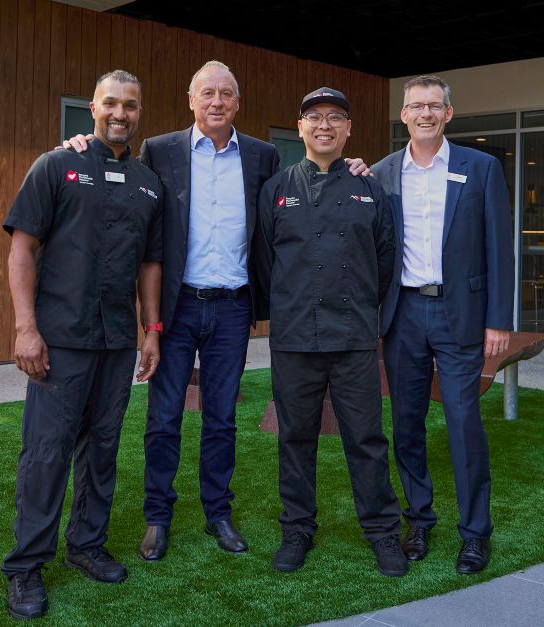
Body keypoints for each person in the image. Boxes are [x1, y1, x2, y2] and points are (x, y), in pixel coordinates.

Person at [66, 61, 369, 562]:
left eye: (226, 93)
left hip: (233, 310)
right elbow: (129, 189)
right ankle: (157, 517)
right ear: (191, 100)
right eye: (207, 92)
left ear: (237, 102)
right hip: (179, 307)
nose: (216, 102)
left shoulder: (262, 156)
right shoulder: (160, 150)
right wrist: (75, 145)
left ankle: (218, 514)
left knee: (222, 420)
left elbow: (293, 203)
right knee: (164, 418)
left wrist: (352, 166)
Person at [0, 69, 162, 620]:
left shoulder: (147, 182)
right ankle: (26, 567)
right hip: (61, 339)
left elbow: (149, 263)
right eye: (111, 103)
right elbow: (22, 249)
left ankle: (86, 547)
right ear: (93, 107)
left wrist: (150, 329)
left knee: (102, 449)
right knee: (46, 454)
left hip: (117, 341)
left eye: (131, 106)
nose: (121, 114)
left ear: (141, 112)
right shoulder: (56, 165)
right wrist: (26, 328)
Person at [256, 87, 407, 577]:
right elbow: (265, 261)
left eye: (335, 117)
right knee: (295, 437)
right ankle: (297, 529)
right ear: (300, 127)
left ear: (348, 129)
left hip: (354, 336)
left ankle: (383, 533)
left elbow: (385, 261)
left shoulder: (370, 189)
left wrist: (364, 309)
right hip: (295, 335)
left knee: (366, 438)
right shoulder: (277, 187)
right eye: (314, 117)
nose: (324, 125)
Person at [372, 75, 513, 574]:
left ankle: (475, 533)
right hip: (403, 315)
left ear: (449, 114)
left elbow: (500, 248)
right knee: (407, 424)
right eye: (416, 107)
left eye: (435, 106)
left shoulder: (482, 168)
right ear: (404, 115)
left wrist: (498, 319)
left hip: (461, 316)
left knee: (463, 423)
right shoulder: (383, 173)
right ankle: (419, 520)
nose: (425, 114)